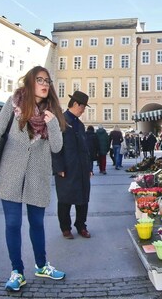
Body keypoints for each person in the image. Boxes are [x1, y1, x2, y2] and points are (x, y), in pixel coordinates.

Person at [0, 66, 67, 292]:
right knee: (13, 223)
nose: (45, 83)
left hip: (37, 176)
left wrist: (52, 123)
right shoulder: (14, 102)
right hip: (11, 173)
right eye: (39, 79)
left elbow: (57, 147)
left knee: (37, 223)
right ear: (30, 82)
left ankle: (41, 265)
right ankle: (17, 271)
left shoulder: (53, 112)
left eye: (47, 80)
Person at [52, 91, 93, 239]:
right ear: (76, 104)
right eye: (83, 107)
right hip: (67, 168)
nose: (83, 110)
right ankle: (65, 228)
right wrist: (58, 167)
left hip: (81, 168)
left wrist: (89, 168)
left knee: (83, 199)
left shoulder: (80, 125)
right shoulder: (60, 121)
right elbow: (54, 147)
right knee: (65, 200)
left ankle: (81, 225)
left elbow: (85, 149)